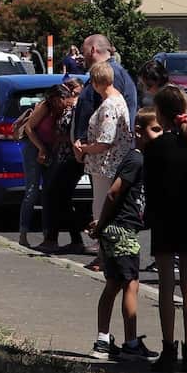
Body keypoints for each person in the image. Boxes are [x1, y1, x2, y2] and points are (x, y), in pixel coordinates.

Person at [143, 84, 187, 373]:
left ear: (162, 114)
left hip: (164, 217)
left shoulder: (155, 147)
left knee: (167, 285)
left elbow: (151, 186)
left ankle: (169, 349)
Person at [88, 107, 162, 361]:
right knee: (130, 283)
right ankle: (130, 343)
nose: (159, 134)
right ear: (138, 132)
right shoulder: (136, 159)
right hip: (121, 230)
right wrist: (101, 225)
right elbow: (113, 192)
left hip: (119, 228)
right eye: (155, 129)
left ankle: (102, 341)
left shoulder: (142, 159)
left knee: (114, 284)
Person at [75, 62, 133, 272]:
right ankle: (108, 254)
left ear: (96, 82)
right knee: (108, 209)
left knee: (101, 210)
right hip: (112, 164)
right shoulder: (119, 100)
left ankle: (103, 256)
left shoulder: (109, 105)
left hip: (106, 165)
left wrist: (84, 149)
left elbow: (105, 140)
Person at [37, 78, 86, 253]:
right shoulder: (66, 110)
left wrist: (62, 139)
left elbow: (70, 134)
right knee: (60, 197)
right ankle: (69, 239)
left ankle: (55, 239)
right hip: (64, 158)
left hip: (72, 159)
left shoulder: (73, 110)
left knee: (56, 195)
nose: (57, 103)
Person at [17, 85, 60, 247]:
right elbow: (29, 128)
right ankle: (23, 234)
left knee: (49, 193)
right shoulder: (44, 106)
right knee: (32, 190)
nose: (64, 102)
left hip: (50, 149)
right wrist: (41, 148)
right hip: (33, 147)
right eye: (61, 99)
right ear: (54, 98)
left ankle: (48, 236)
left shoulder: (64, 109)